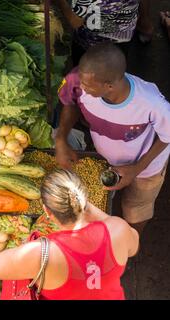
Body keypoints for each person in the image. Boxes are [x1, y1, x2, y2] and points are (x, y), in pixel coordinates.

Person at [0, 169, 139, 300]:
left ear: (47, 211)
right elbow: (134, 246)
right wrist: (83, 205)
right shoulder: (117, 229)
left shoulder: (42, 254)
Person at [55, 43, 170, 235]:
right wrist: (61, 138)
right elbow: (71, 102)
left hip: (146, 167)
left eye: (88, 86)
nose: (81, 87)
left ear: (109, 86)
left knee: (136, 210)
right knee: (104, 196)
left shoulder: (151, 103)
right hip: (106, 158)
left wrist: (136, 170)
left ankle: (130, 242)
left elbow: (167, 136)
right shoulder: (78, 79)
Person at [54, 0, 141, 64]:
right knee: (113, 70)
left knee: (89, 77)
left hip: (92, 43)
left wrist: (61, 2)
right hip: (124, 33)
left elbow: (75, 21)